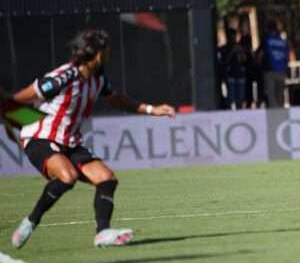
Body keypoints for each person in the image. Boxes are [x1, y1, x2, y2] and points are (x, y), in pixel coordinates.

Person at [9, 29, 176, 248]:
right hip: (40, 137)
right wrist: (10, 120)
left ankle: (103, 233)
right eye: (106, 50)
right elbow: (19, 99)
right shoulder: (62, 77)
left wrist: (151, 109)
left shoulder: (98, 80)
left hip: (70, 142)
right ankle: (30, 222)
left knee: (107, 178)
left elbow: (117, 100)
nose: (109, 54)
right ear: (96, 54)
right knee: (67, 176)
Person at [262, 22, 289, 108]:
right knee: (280, 96)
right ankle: (281, 116)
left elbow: (261, 55)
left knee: (271, 96)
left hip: (270, 72)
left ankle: (274, 117)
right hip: (281, 71)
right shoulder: (283, 42)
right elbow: (286, 57)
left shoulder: (267, 40)